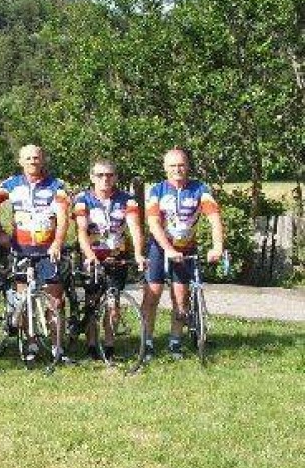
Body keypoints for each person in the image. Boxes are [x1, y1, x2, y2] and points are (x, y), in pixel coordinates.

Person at [0, 144, 71, 367]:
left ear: (42, 159)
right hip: (21, 250)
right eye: (28, 159)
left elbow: (64, 217)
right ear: (20, 161)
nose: (33, 162)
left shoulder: (57, 186)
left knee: (55, 300)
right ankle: (31, 344)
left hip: (48, 250)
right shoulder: (11, 185)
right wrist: (0, 233)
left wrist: (57, 243)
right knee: (24, 300)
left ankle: (57, 347)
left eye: (36, 158)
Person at [142, 148, 224, 360]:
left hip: (186, 247)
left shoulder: (200, 189)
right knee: (152, 296)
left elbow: (214, 217)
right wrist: (168, 249)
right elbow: (153, 223)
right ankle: (148, 341)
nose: (177, 169)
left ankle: (175, 342)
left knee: (181, 298)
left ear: (187, 166)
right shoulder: (156, 190)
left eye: (181, 165)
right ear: (165, 168)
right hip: (159, 248)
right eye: (172, 166)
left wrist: (217, 246)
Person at [73, 158, 146, 361]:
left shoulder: (127, 200)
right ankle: (91, 346)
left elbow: (135, 228)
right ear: (92, 177)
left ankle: (110, 346)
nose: (105, 179)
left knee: (113, 304)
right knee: (92, 302)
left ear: (115, 177)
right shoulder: (83, 199)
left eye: (109, 175)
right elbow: (81, 231)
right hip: (92, 257)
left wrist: (139, 254)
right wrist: (89, 256)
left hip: (116, 257)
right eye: (100, 175)